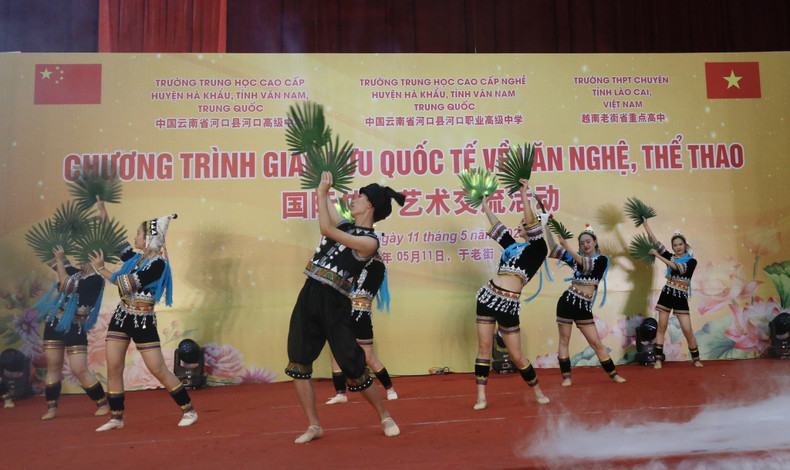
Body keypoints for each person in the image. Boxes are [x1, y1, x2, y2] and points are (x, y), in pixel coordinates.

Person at [285, 172, 404, 443]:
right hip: (309, 294)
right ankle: (314, 425)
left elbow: (327, 230)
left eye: (360, 197)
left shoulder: (370, 242)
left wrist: (322, 193)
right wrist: (322, 190)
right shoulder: (347, 226)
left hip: (335, 302)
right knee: (298, 362)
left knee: (353, 366)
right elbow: (330, 219)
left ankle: (385, 415)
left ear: (370, 206)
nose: (354, 200)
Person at [89, 198, 196, 431]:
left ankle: (188, 410)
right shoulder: (135, 259)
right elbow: (115, 240)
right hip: (121, 317)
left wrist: (100, 269)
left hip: (143, 321)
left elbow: (127, 285)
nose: (134, 237)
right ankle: (116, 417)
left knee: (158, 369)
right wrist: (103, 211)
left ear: (148, 239)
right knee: (113, 366)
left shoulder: (158, 265)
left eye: (138, 234)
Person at [473, 179, 550, 410]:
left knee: (517, 356)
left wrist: (525, 194)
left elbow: (530, 220)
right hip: (487, 297)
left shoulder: (539, 249)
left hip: (509, 304)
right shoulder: (512, 246)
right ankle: (480, 396)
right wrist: (485, 205)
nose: (523, 226)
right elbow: (498, 227)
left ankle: (537, 391)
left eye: (527, 225)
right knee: (484, 347)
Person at [33, 243, 109, 420]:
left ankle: (102, 403)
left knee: (79, 369)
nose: (81, 261)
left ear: (93, 258)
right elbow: (52, 258)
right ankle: (52, 408)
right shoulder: (76, 272)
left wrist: (60, 260)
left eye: (85, 257)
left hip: (75, 326)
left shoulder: (96, 280)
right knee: (53, 365)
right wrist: (53, 241)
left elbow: (65, 284)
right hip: (54, 323)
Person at [545, 222, 626, 386]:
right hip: (567, 302)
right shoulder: (576, 260)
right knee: (564, 340)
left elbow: (587, 266)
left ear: (595, 242)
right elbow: (553, 248)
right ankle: (566, 377)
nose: (585, 245)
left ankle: (614, 374)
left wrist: (567, 246)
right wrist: (545, 224)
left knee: (596, 343)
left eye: (588, 241)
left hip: (583, 307)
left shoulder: (601, 260)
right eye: (582, 243)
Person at [325, 253, 397, 405]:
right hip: (343, 313)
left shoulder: (377, 265)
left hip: (361, 314)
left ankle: (390, 389)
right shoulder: (353, 263)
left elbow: (362, 291)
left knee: (368, 357)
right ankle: (340, 393)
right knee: (335, 354)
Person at [642, 220, 702, 369]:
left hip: (681, 297)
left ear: (685, 245)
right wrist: (646, 225)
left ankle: (696, 359)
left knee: (687, 330)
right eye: (675, 245)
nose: (678, 247)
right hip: (668, 294)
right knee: (661, 327)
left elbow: (676, 268)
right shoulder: (670, 256)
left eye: (680, 245)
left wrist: (657, 255)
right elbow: (656, 243)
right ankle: (657, 359)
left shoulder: (691, 261)